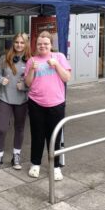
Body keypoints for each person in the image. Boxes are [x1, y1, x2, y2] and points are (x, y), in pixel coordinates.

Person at [24, 31, 71, 180]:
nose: (42, 46)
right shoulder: (32, 60)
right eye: (39, 44)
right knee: (37, 135)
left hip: (56, 103)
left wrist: (56, 65)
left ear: (51, 45)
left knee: (55, 136)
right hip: (36, 103)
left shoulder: (59, 57)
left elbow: (67, 77)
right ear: (36, 45)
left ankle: (56, 167)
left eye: (45, 43)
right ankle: (35, 164)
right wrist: (32, 69)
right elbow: (28, 83)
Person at [0, 33, 31, 171]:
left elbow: (34, 82)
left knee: (19, 128)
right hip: (5, 99)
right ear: (13, 43)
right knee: (1, 128)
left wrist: (24, 86)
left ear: (26, 44)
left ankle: (16, 156)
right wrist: (1, 80)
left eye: (22, 42)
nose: (19, 45)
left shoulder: (30, 61)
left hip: (22, 101)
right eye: (17, 42)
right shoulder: (4, 58)